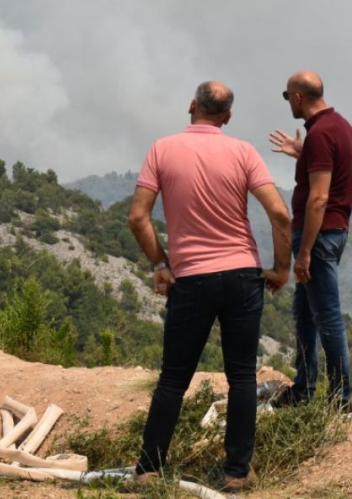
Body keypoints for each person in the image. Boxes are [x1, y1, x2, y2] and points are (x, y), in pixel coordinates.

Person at [128, 81, 292, 491]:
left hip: (191, 279)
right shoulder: (244, 152)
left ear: (192, 106)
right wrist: (281, 268)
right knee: (242, 377)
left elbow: (137, 217)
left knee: (173, 379)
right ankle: (237, 472)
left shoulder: (162, 149)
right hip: (242, 277)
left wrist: (161, 265)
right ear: (227, 117)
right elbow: (280, 214)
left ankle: (149, 470)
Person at [268, 70, 352, 409]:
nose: (288, 102)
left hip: (318, 238)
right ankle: (304, 389)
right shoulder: (340, 127)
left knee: (327, 318)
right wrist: (303, 153)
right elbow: (329, 169)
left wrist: (304, 252)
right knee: (306, 313)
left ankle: (341, 401)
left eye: (287, 96)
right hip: (333, 233)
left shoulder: (321, 134)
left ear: (298, 97)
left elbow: (319, 199)